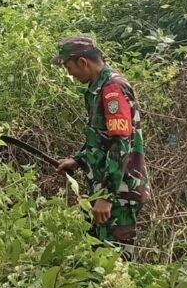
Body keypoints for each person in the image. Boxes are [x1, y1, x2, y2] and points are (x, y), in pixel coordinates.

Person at [52, 36, 148, 248]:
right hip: (107, 189)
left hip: (119, 194)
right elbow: (101, 139)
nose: (69, 73)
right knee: (98, 257)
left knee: (116, 260)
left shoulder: (112, 90)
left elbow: (120, 143)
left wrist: (106, 196)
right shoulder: (98, 88)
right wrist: (78, 160)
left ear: (83, 62)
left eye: (69, 67)